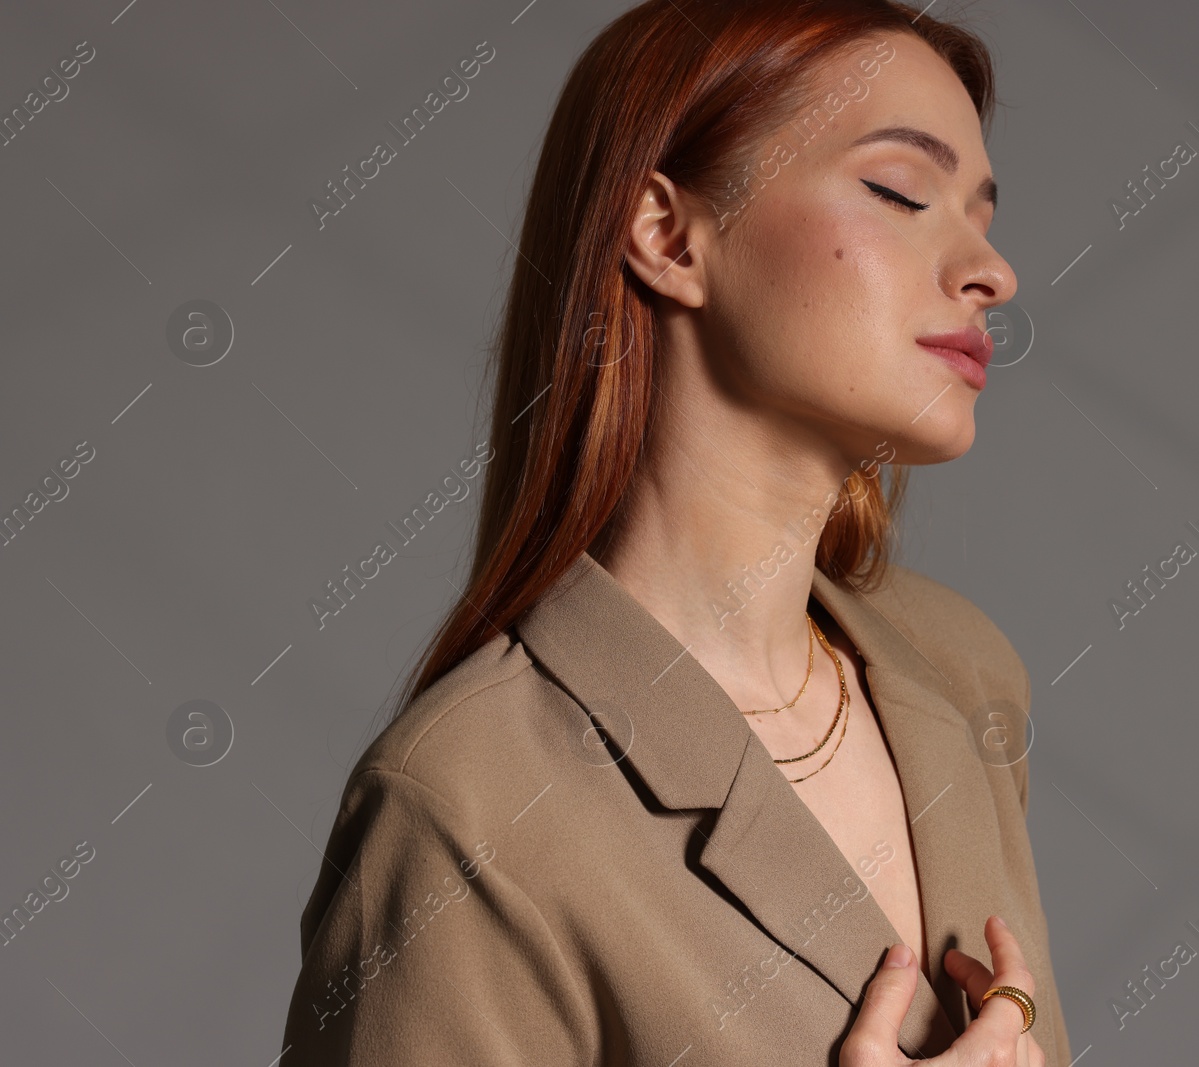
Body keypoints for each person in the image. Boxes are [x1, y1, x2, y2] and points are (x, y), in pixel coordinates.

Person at [280, 1, 1072, 1063]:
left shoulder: (962, 671)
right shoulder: (467, 806)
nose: (991, 270)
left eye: (981, 212)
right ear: (665, 233)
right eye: (899, 191)